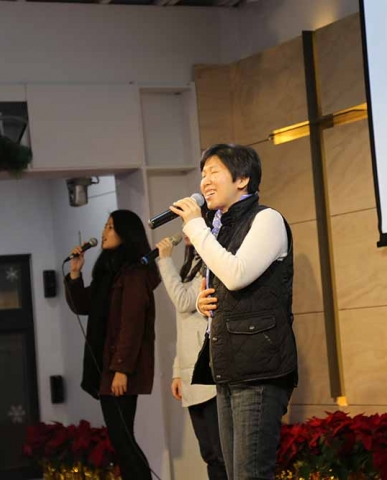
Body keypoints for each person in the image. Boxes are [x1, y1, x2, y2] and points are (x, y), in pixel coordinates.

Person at [168, 143, 298, 480]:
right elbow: (227, 281)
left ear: (242, 179)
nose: (205, 181)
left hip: (260, 368)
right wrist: (204, 303)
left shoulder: (267, 219)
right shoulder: (219, 227)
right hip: (228, 367)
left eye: (214, 172)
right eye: (203, 174)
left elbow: (238, 274)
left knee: (250, 474)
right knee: (232, 473)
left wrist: (195, 226)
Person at [64, 210, 160, 480]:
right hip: (107, 365)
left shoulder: (134, 274)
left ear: (125, 234)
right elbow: (84, 305)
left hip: (120, 368)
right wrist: (75, 274)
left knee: (123, 439)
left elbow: (131, 324)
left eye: (110, 227)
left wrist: (121, 369)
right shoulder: (109, 272)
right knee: (120, 440)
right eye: (105, 226)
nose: (104, 232)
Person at [155, 234, 228, 480]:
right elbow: (183, 325)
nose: (184, 230)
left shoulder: (210, 265)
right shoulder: (191, 266)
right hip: (190, 374)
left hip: (208, 372)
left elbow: (184, 301)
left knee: (221, 452)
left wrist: (165, 260)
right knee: (209, 453)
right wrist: (178, 372)